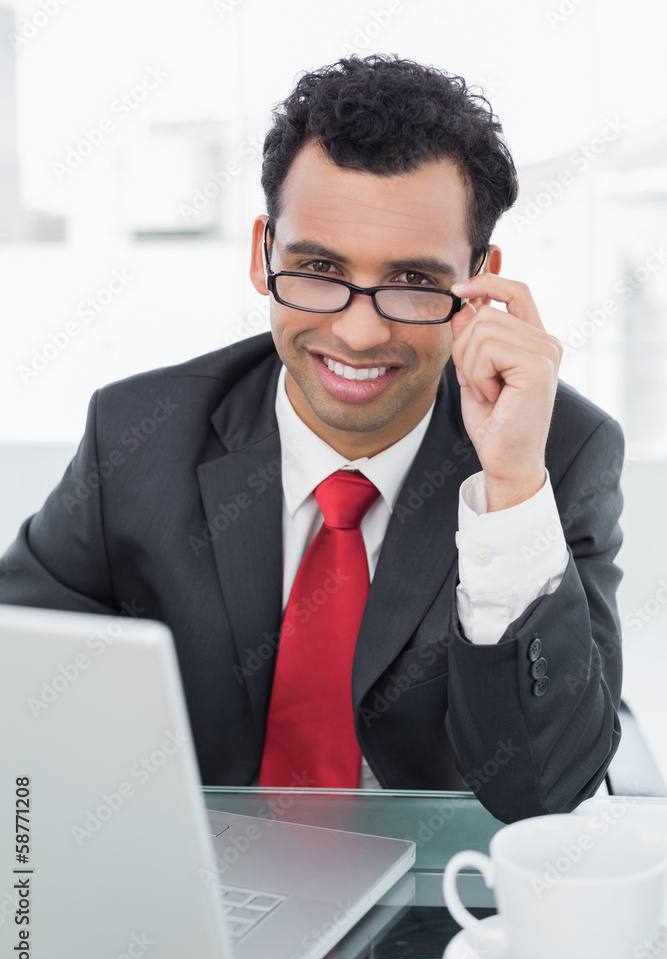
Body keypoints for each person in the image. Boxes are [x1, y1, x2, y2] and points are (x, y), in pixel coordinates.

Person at [0, 55, 623, 823]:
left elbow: (547, 789)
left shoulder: (556, 455)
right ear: (265, 254)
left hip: (440, 912)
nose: (358, 332)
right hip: (194, 893)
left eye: (414, 283)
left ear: (480, 281)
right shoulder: (135, 437)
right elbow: (17, 690)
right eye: (319, 268)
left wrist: (510, 492)